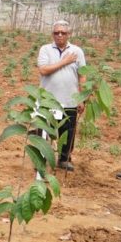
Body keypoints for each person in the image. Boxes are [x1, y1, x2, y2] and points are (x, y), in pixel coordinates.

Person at [37, 20, 86, 171]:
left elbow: (82, 75)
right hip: (48, 101)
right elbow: (44, 70)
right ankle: (42, 159)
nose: (59, 35)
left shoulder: (77, 51)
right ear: (52, 34)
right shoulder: (45, 50)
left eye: (63, 33)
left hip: (69, 101)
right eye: (56, 32)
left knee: (68, 131)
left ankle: (64, 159)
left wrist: (81, 98)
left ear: (68, 34)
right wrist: (65, 61)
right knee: (43, 131)